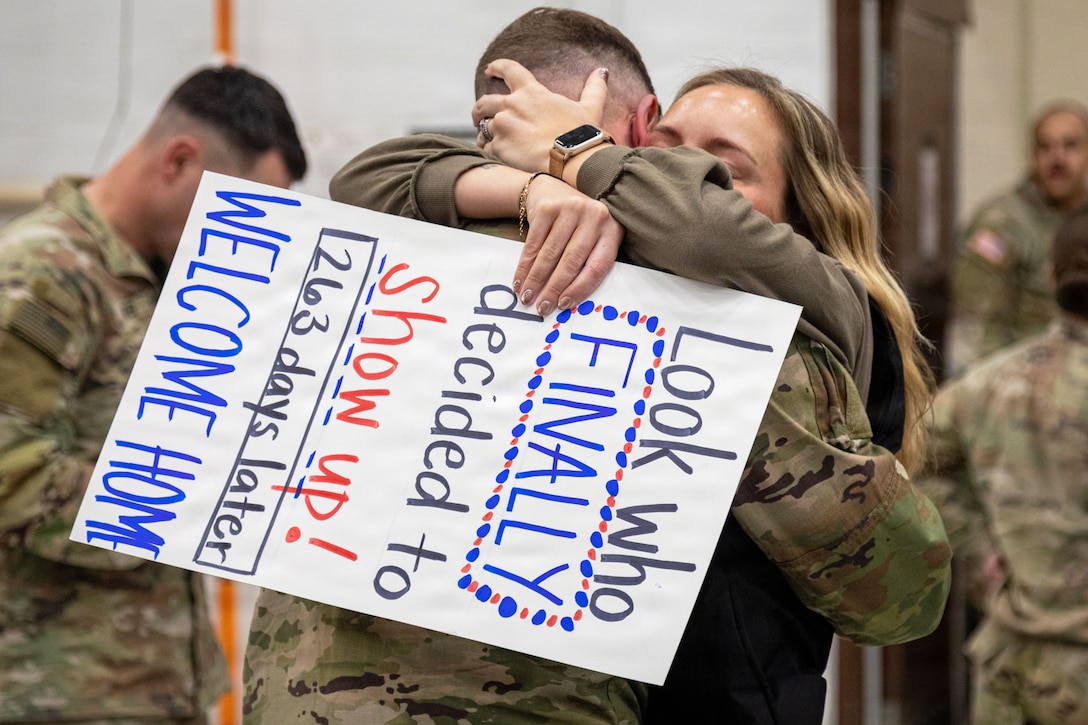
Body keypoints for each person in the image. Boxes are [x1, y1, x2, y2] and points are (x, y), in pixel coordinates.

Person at [244, 9, 950, 725]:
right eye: (661, 155)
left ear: (795, 224)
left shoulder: (759, 340)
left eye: (719, 174)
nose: (677, 180)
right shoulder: (455, 266)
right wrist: (537, 185)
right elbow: (898, 594)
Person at [0, 65, 307, 723]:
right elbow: (11, 472)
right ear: (179, 160)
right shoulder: (40, 274)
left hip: (157, 684)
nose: (247, 240)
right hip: (57, 688)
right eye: (242, 211)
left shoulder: (171, 285)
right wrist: (199, 497)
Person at [918, 204, 1088, 724]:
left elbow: (917, 459)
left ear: (1051, 276)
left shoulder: (989, 383)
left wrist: (978, 550)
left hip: (1011, 671)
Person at [947, 100, 1088, 374]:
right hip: (1023, 387)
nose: (1057, 158)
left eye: (1070, 145)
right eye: (1045, 147)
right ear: (1033, 155)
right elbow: (973, 328)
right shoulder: (1002, 222)